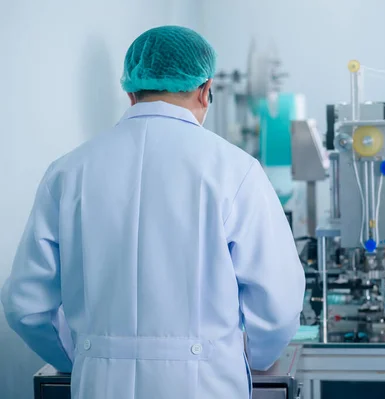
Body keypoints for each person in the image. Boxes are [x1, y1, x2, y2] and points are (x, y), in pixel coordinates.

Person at [1, 26, 305, 399]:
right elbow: (278, 301)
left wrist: (83, 356)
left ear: (130, 91)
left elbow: (25, 306)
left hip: (99, 384)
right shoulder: (235, 170)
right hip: (206, 385)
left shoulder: (67, 172)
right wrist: (257, 355)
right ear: (206, 90)